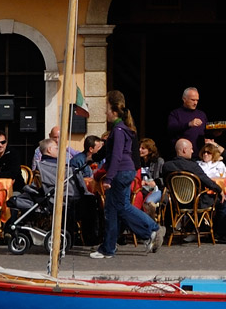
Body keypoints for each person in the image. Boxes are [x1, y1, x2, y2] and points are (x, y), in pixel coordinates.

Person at [90, 91, 164, 258]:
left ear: (114, 110)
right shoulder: (122, 128)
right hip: (125, 171)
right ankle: (108, 248)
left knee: (120, 207)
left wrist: (108, 178)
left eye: (107, 108)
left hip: (121, 172)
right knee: (113, 209)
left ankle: (152, 228)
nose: (105, 112)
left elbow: (116, 155)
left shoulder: (118, 130)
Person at [37, 138, 89, 244]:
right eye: (56, 148)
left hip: (57, 196)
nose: (59, 150)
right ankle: (90, 238)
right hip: (66, 198)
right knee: (90, 200)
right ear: (50, 150)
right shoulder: (57, 166)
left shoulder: (44, 164)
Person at [167, 87, 207, 156]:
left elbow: (206, 132)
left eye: (197, 100)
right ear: (184, 99)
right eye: (193, 100)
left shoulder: (201, 114)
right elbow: (171, 128)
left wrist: (215, 133)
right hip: (182, 156)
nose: (195, 103)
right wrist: (188, 124)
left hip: (200, 155)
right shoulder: (176, 113)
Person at [138, 137, 164, 205]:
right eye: (140, 147)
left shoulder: (159, 162)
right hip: (141, 189)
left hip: (156, 190)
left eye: (143, 148)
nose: (139, 150)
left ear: (149, 150)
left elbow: (165, 178)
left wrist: (155, 182)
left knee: (148, 201)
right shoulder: (138, 162)